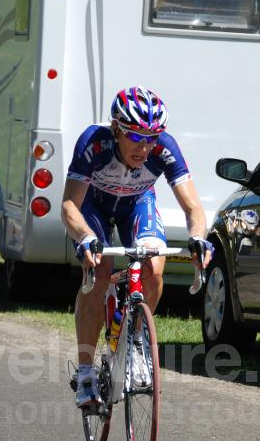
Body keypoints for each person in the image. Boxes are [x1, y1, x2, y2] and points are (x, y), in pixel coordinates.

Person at [61, 85, 213, 408]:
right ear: (116, 129)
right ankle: (86, 372)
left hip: (137, 203)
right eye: (135, 137)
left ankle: (137, 342)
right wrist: (85, 237)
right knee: (100, 271)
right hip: (94, 206)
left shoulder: (164, 149)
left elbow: (193, 209)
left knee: (154, 268)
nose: (145, 148)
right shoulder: (94, 143)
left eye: (152, 138)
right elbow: (69, 207)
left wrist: (198, 237)